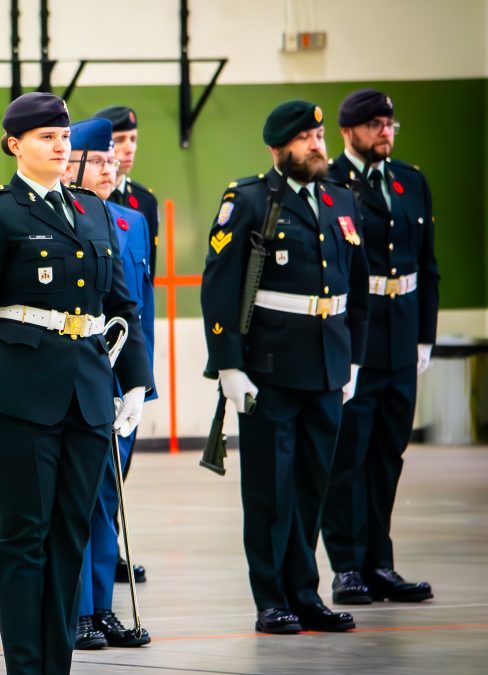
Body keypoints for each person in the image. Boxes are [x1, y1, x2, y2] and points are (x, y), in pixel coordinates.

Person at [0, 92, 152, 674]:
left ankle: (56, 663)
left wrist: (136, 384)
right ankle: (26, 665)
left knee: (71, 533)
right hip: (19, 392)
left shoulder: (94, 211)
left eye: (64, 135)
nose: (60, 145)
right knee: (27, 531)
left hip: (89, 390)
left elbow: (123, 304)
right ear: (14, 145)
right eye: (46, 136)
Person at [200, 100, 369, 635]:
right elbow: (220, 287)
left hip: (327, 368)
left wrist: (355, 358)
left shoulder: (341, 200)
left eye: (319, 135)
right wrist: (228, 365)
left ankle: (306, 594)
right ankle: (271, 600)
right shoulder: (250, 200)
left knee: (312, 489)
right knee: (271, 494)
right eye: (306, 138)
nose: (317, 145)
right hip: (268, 370)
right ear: (278, 148)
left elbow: (358, 290)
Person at [322, 89, 439, 606]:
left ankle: (380, 562)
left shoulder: (410, 182)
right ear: (349, 131)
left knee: (388, 453)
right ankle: (346, 566)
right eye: (374, 125)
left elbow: (428, 265)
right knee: (349, 453)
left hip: (401, 335)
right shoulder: (330, 184)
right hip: (356, 337)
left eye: (390, 124)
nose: (385, 133)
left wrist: (425, 336)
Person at [58, 118, 155, 650]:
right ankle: (74, 610)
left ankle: (100, 608)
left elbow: (137, 310)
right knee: (73, 500)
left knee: (105, 502)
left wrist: (139, 383)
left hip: (117, 383)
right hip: (73, 379)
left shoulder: (130, 222)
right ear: (73, 164)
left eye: (113, 159)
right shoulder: (54, 218)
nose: (111, 167)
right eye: (99, 159)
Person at [96, 105, 159, 285]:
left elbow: (147, 273)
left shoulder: (145, 201)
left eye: (133, 139)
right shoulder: (83, 196)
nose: (129, 148)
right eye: (120, 139)